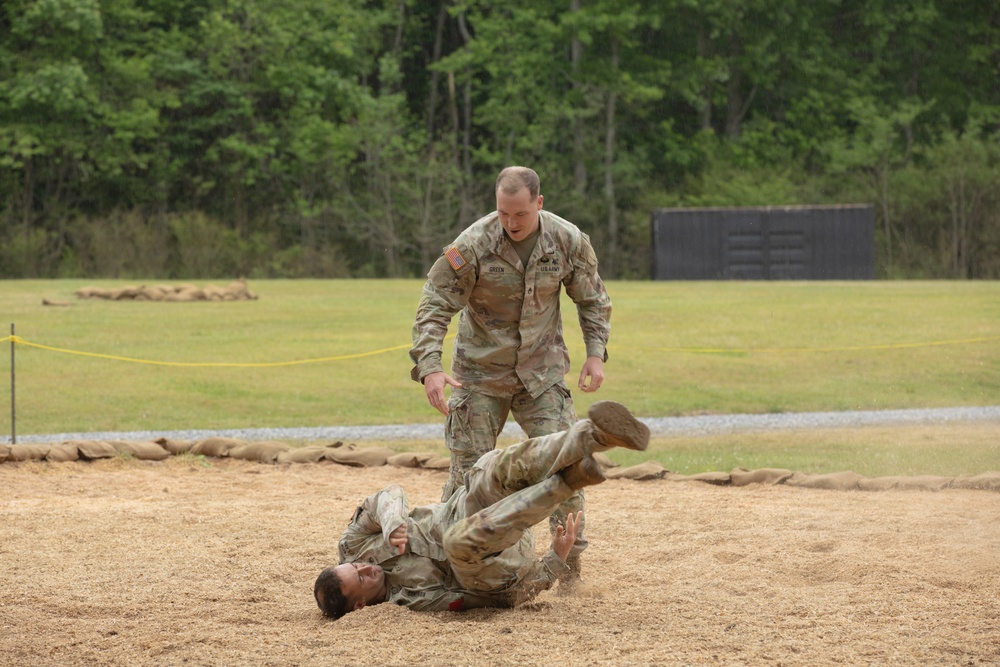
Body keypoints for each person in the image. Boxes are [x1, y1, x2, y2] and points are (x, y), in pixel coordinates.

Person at [408, 166, 612, 585]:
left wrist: (596, 354)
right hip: (479, 377)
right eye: (503, 213)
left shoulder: (567, 240)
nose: (511, 223)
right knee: (467, 478)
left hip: (541, 375)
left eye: (520, 214)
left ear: (539, 203)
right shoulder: (474, 244)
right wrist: (429, 367)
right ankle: (451, 568)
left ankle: (569, 567)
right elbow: (434, 304)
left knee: (568, 467)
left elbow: (592, 299)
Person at [314, 401, 649, 619]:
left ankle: (595, 436)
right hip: (487, 568)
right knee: (459, 543)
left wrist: (392, 523)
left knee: (492, 470)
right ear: (360, 606)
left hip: (457, 511)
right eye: (360, 577)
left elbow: (387, 495)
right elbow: (500, 601)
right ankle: (566, 483)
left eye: (355, 565)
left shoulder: (352, 546)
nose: (366, 566)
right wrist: (553, 563)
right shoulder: (404, 604)